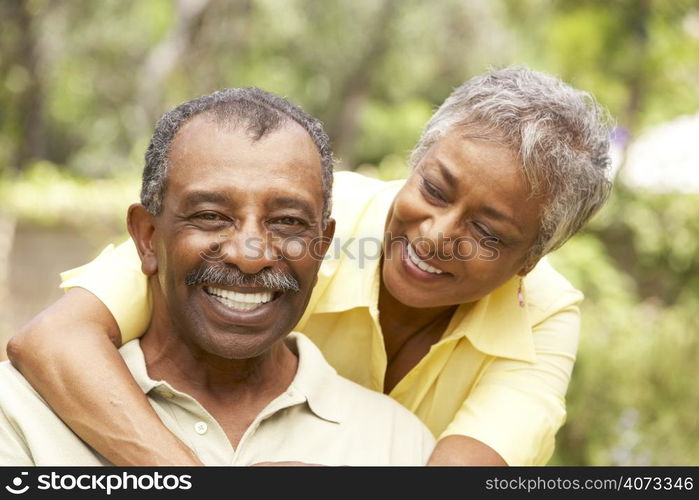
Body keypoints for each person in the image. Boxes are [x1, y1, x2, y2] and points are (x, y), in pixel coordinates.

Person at [8, 66, 613, 466]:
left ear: (529, 261)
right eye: (432, 188)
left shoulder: (543, 318)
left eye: (486, 232)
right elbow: (56, 338)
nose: (437, 235)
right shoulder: (291, 207)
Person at [0, 88, 436, 466]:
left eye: (286, 222)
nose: (250, 256)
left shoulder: (398, 445)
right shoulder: (20, 413)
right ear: (148, 238)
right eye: (210, 216)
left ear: (322, 247)